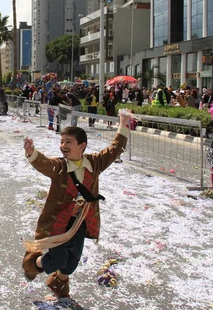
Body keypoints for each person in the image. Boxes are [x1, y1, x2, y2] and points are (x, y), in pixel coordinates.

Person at [21, 111, 133, 299]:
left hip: (81, 220)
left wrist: (123, 123)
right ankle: (32, 264)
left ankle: (58, 284)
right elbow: (46, 164)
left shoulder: (95, 163)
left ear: (82, 146)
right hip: (59, 222)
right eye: (62, 141)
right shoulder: (60, 166)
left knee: (72, 262)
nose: (63, 146)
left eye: (68, 142)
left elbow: (114, 149)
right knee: (57, 259)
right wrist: (32, 154)